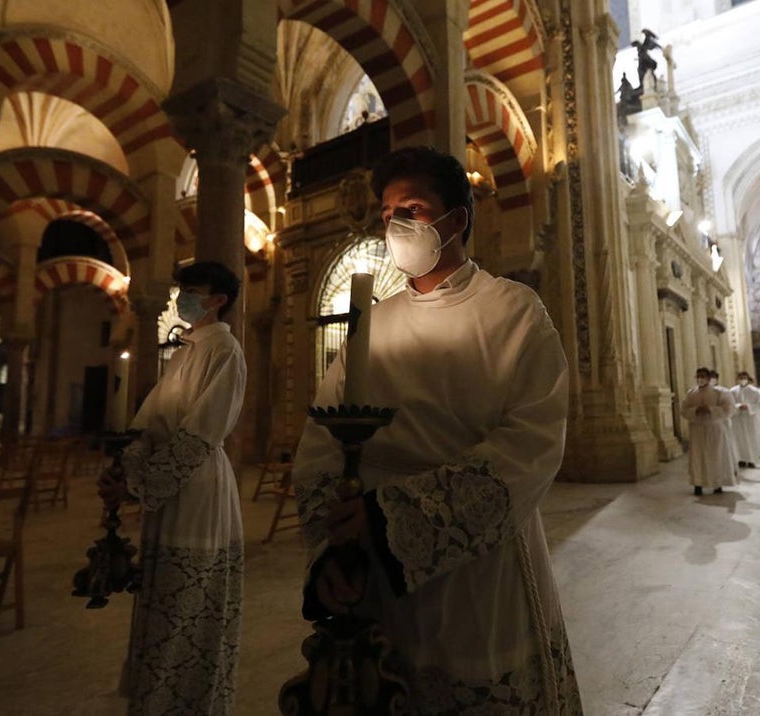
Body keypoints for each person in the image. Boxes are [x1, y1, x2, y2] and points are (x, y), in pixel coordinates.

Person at [292, 146, 581, 713]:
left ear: (458, 219)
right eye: (387, 212)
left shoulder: (514, 311)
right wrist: (335, 548)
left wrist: (394, 517)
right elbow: (322, 439)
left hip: (483, 574)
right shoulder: (373, 324)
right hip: (380, 583)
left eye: (415, 209)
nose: (397, 223)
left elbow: (532, 445)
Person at [98, 261, 247, 715]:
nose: (182, 298)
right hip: (171, 489)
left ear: (218, 299)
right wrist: (125, 470)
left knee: (188, 607)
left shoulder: (225, 351)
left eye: (192, 290)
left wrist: (141, 484)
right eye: (182, 289)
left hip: (198, 488)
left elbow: (200, 435)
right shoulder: (185, 350)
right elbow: (149, 423)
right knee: (163, 605)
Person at [681, 368, 737, 495]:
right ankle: (698, 483)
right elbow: (684, 410)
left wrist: (711, 410)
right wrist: (695, 410)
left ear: (708, 377)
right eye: (698, 376)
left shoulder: (719, 392)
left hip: (714, 427)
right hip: (697, 428)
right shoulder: (691, 393)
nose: (700, 379)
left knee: (715, 455)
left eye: (703, 376)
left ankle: (717, 483)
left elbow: (729, 408)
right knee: (697, 456)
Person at [729, 372, 760, 468]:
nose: (743, 379)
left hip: (750, 418)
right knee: (739, 439)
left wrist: (749, 407)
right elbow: (729, 404)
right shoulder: (732, 391)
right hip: (737, 418)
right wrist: (738, 406)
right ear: (737, 378)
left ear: (747, 378)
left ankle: (752, 459)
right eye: (741, 378)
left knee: (751, 439)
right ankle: (741, 459)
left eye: (744, 377)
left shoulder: (756, 391)